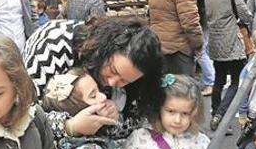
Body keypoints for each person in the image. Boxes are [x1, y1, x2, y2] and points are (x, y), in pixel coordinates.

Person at [23, 16, 164, 139]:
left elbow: (134, 121)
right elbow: (24, 118)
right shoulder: (52, 45)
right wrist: (69, 126)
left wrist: (114, 119)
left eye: (125, 81)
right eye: (113, 70)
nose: (111, 82)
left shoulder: (139, 82)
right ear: (104, 49)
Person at [205, 0, 251, 131]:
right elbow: (246, 15)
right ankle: (221, 114)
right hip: (232, 42)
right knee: (236, 82)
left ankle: (215, 112)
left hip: (216, 42)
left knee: (219, 80)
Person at [193, 0, 221, 95]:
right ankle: (208, 79)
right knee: (207, 48)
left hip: (205, 14)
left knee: (200, 49)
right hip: (213, 14)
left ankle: (210, 80)